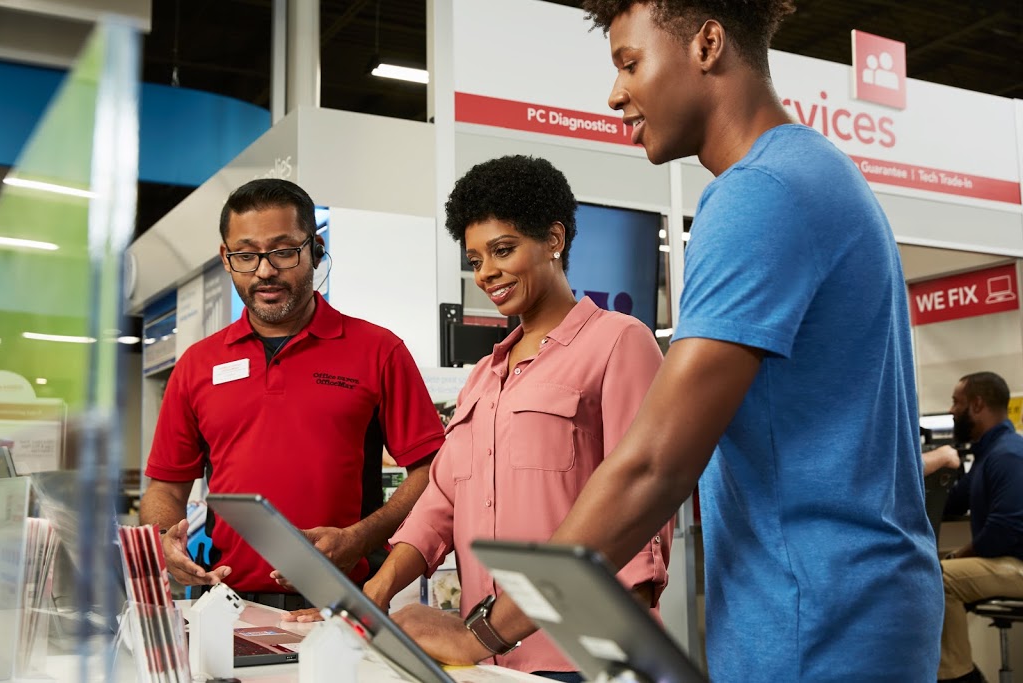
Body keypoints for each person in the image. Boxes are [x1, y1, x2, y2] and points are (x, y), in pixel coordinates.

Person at [392, 2, 944, 681]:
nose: (616, 92)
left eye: (630, 62)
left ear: (708, 44)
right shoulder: (811, 174)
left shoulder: (759, 194)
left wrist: (484, 630)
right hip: (835, 603)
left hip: (817, 615)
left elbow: (654, 464)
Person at [348, 155, 670, 681]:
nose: (487, 274)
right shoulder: (484, 375)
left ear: (553, 239)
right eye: (475, 259)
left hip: (581, 657)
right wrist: (378, 589)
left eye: (503, 250)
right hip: (484, 659)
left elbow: (640, 501)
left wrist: (619, 657)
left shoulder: (619, 342)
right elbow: (443, 501)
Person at [139, 178, 446, 608]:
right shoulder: (197, 364)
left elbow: (431, 470)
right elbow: (166, 490)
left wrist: (360, 538)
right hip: (223, 602)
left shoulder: (379, 351)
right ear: (226, 259)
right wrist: (162, 540)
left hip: (341, 599)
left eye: (283, 251)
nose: (265, 270)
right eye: (246, 255)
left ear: (315, 249)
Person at [937, 372, 1023, 683]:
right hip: (1006, 562)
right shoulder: (990, 454)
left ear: (976, 405)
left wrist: (957, 555)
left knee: (939, 577)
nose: (951, 411)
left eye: (955, 403)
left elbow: (1005, 528)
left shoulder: (1008, 454)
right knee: (930, 566)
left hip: (1017, 565)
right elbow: (954, 503)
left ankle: (960, 677)